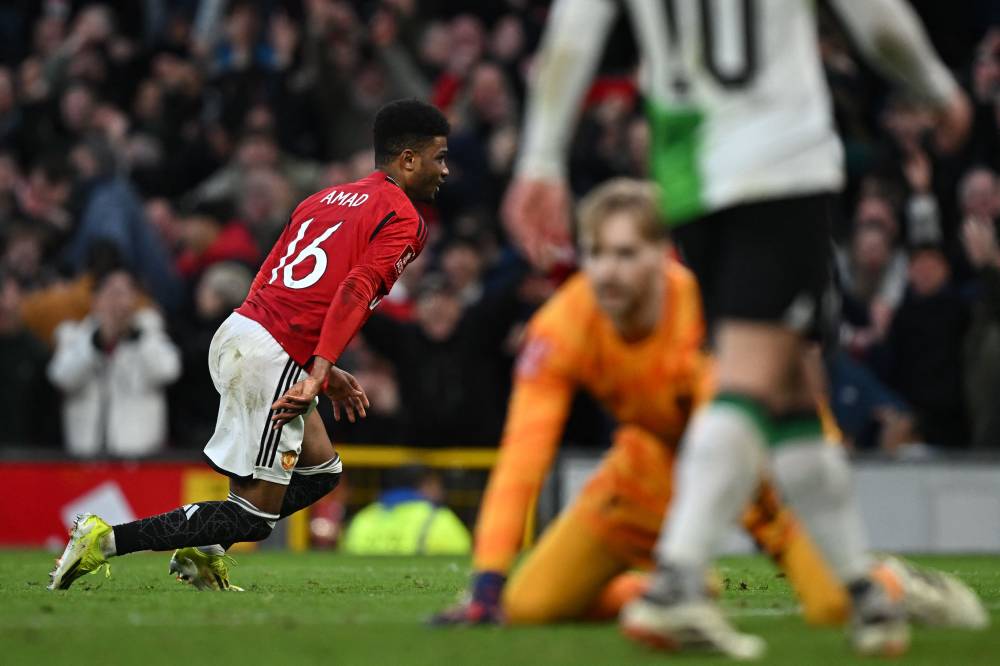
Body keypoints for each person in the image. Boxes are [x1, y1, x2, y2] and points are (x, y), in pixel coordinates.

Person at [501, 0, 974, 658]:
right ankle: (678, 583)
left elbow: (572, 33)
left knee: (790, 394)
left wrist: (541, 159)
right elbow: (879, 21)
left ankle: (863, 590)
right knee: (750, 382)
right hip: (779, 169)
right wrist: (939, 89)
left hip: (689, 177)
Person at [436, 179, 984, 629]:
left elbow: (722, 446)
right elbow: (523, 456)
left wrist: (688, 556)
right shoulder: (561, 325)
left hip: (766, 468)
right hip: (648, 470)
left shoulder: (709, 317)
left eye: (626, 254)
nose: (607, 271)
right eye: (596, 253)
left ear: (663, 256)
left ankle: (895, 583)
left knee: (833, 609)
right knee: (528, 606)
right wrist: (487, 581)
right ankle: (657, 590)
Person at [48, 98, 450, 592]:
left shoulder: (322, 199)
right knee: (254, 517)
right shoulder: (405, 218)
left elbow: (271, 271)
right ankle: (104, 539)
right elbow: (355, 289)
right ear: (408, 159)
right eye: (439, 157)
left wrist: (317, 365)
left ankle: (201, 555)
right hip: (271, 354)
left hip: (245, 329)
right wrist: (318, 370)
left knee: (322, 473)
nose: (445, 170)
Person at [47, 268, 181, 458]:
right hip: (86, 457)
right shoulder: (74, 335)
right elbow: (62, 378)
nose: (118, 302)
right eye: (112, 293)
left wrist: (137, 337)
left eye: (125, 293)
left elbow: (168, 371)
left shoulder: (149, 333)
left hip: (141, 458)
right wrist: (97, 343)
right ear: (96, 300)